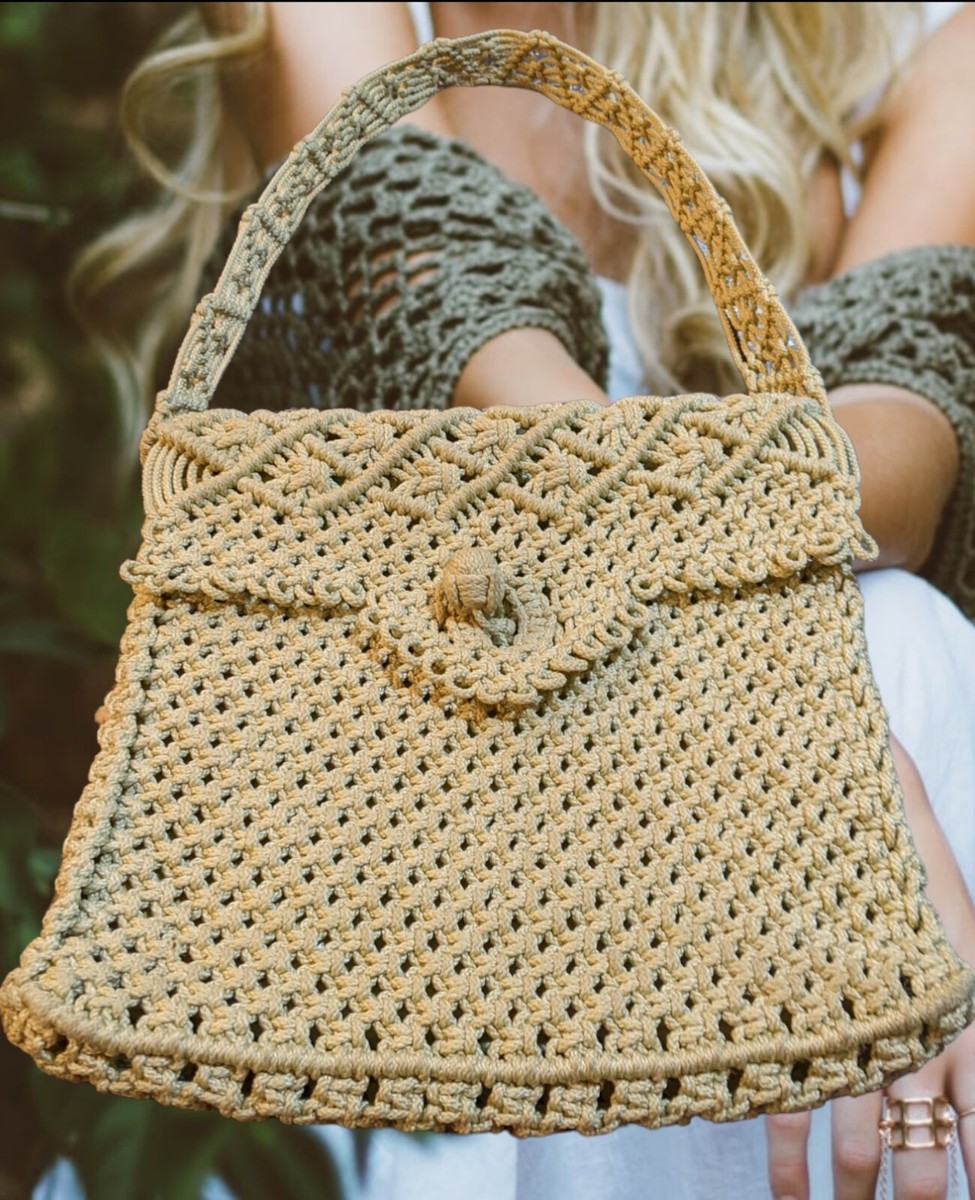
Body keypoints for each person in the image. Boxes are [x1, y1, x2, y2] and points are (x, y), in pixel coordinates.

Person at [70, 3, 975, 1198]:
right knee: (875, 650)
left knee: (891, 631)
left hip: (687, 824)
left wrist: (795, 723)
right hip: (378, 854)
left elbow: (892, 452)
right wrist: (810, 758)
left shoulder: (921, 38)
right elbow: (500, 395)